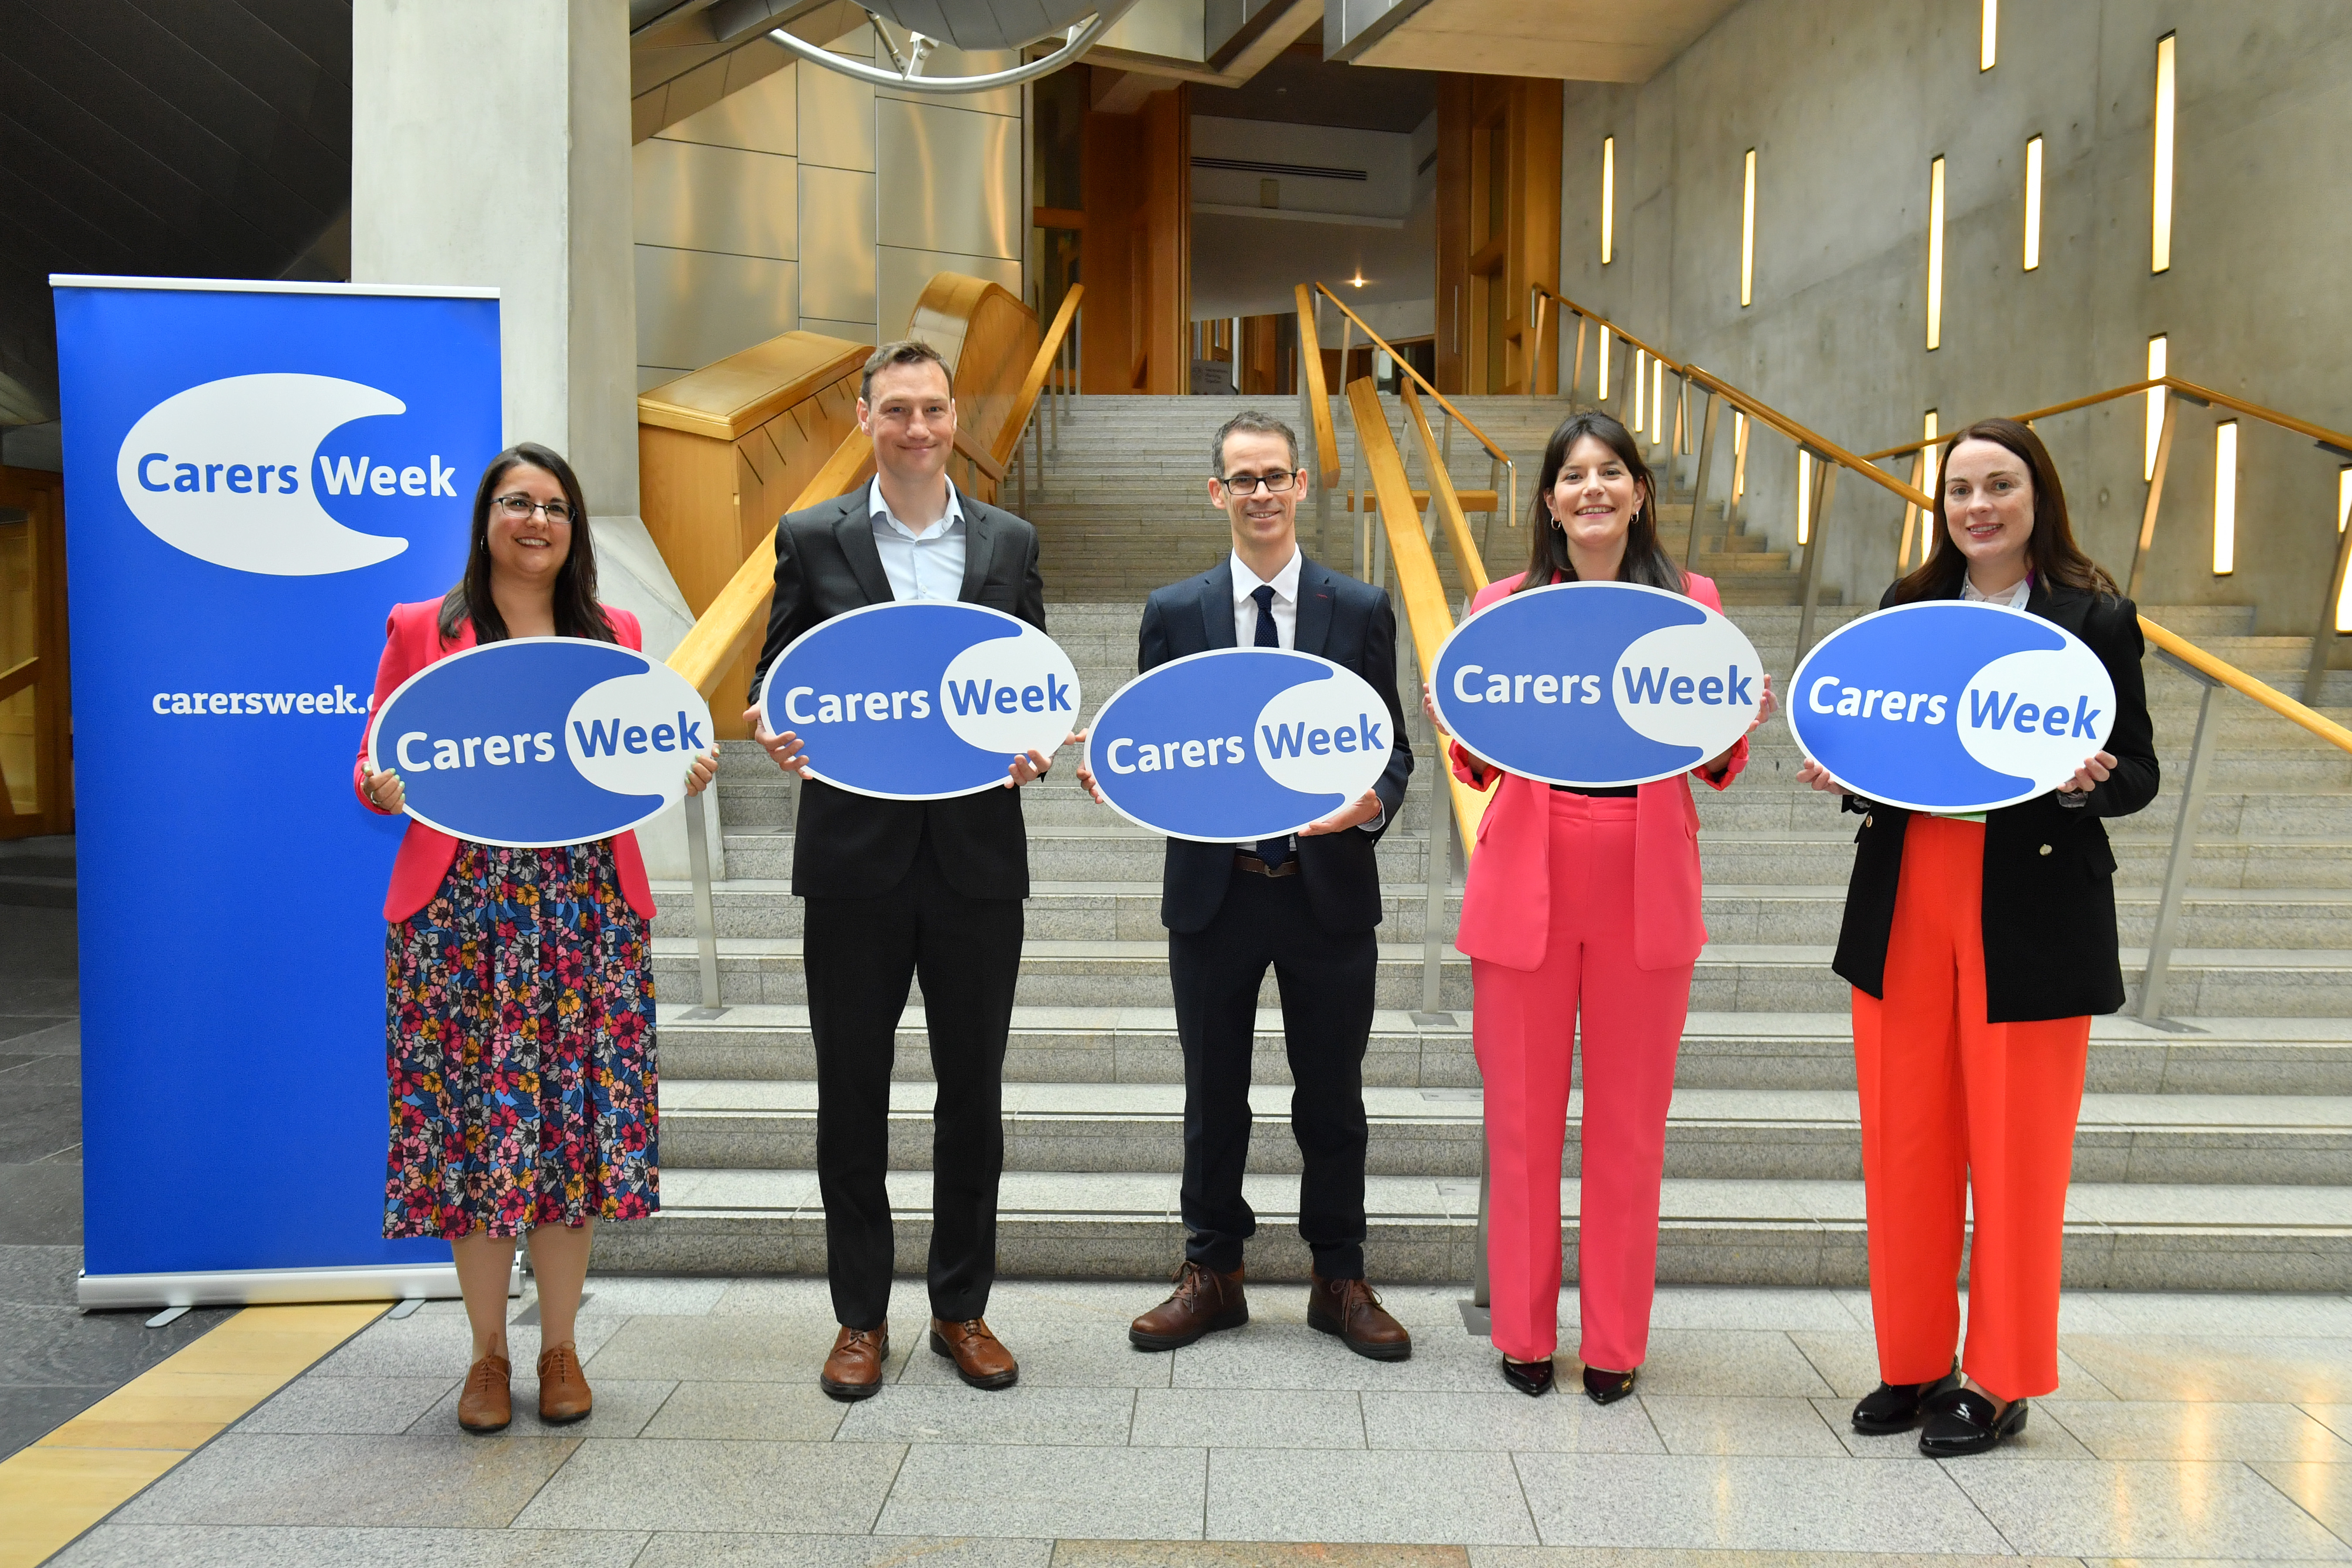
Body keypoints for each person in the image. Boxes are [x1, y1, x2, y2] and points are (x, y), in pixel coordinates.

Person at [1800, 417, 2156, 1456]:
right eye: (1959, 491)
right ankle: (1913, 1362)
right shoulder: (1903, 614)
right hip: (1907, 894)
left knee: (2015, 1154)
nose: (1977, 507)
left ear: (2035, 495)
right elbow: (1879, 753)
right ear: (1939, 507)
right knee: (1904, 1141)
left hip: (2031, 910)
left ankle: (1999, 1378)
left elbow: (2135, 771)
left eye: (1998, 485)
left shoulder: (2092, 619)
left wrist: (2093, 785)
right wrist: (1845, 773)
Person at [356, 443, 715, 1434]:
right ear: (486, 519)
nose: (536, 521)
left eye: (556, 506)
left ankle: (559, 1349)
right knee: (474, 1139)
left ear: (575, 528)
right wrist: (381, 788)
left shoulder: (616, 632)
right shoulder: (423, 629)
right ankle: (485, 1356)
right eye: (517, 503)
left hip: (583, 913)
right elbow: (373, 760)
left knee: (570, 1139)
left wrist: (679, 770)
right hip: (459, 918)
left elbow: (638, 752)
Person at [1423, 411, 1772, 1402]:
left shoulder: (1690, 603)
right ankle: (1526, 1334)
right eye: (1572, 475)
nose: (1591, 490)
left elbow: (1715, 768)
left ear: (1638, 493)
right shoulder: (1503, 604)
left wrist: (1736, 720)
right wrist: (1458, 718)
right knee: (1521, 1120)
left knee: (1628, 1125)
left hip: (1642, 874)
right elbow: (1478, 762)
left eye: (1610, 472)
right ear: (1546, 500)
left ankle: (1615, 1342)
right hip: (1527, 870)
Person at [746, 339, 1055, 1402]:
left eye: (932, 410)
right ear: (866, 421)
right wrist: (773, 728)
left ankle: (960, 1309)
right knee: (852, 1097)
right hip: (852, 863)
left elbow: (1032, 683)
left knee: (972, 1096)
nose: (916, 429)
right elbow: (776, 679)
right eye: (896, 412)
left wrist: (1037, 742)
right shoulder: (809, 537)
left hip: (975, 860)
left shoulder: (1009, 541)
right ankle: (859, 1318)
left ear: (955, 418)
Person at [1075, 410, 1417, 1360]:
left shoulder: (1358, 608)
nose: (1260, 493)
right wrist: (1122, 773)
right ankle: (1211, 1272)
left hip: (1326, 890)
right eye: (1242, 479)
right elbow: (1153, 745)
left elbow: (1394, 752)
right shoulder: (1173, 613)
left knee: (1332, 1101)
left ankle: (1336, 1277)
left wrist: (1370, 804)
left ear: (1300, 485)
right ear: (1215, 494)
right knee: (1211, 1096)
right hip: (1214, 891)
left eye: (1275, 476)